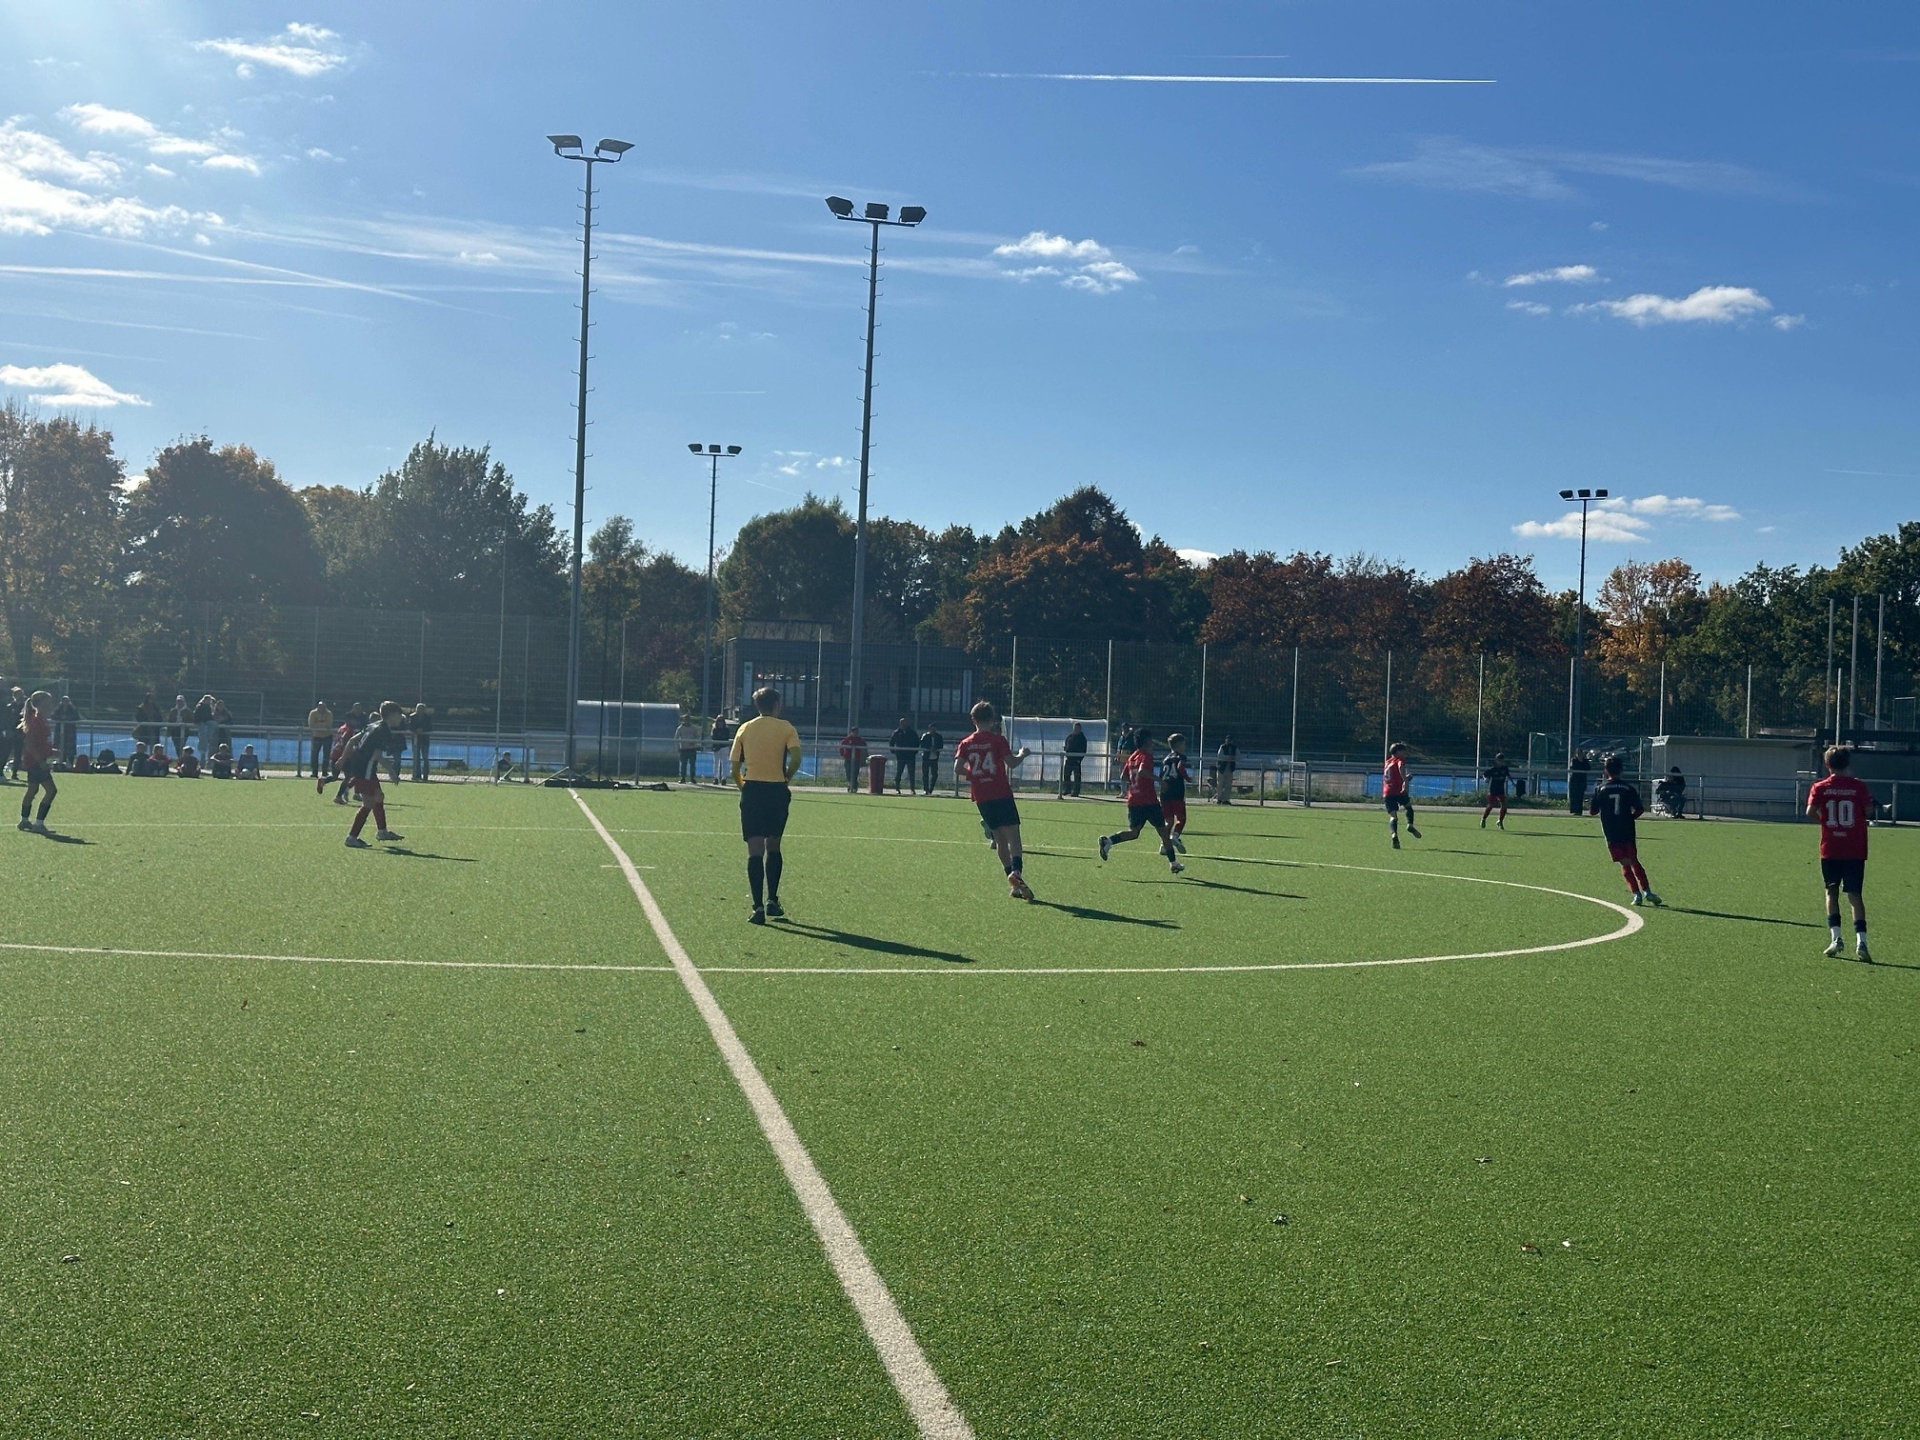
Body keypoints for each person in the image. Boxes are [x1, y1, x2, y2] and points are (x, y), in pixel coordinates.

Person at [730, 686, 802, 924]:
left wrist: (743, 787)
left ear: (757, 705)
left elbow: (734, 768)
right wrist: (786, 777)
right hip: (776, 790)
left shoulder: (745, 728)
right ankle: (772, 899)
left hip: (752, 790)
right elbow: (796, 758)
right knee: (774, 844)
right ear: (777, 704)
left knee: (754, 848)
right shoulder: (786, 728)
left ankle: (758, 907)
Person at [954, 699, 1035, 900]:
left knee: (999, 838)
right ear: (992, 720)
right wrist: (1022, 754)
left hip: (982, 796)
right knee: (1013, 835)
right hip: (1001, 792)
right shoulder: (998, 740)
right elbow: (1012, 763)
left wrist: (975, 775)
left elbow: (957, 768)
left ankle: (1014, 884)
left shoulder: (966, 743)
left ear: (973, 719)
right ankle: (1016, 872)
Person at [1807, 746, 1872, 961]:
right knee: (1855, 895)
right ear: (1848, 763)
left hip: (1831, 847)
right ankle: (1861, 942)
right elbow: (1868, 810)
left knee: (1831, 892)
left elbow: (1810, 811)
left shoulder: (1820, 787)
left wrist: (1825, 821)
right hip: (1855, 848)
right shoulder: (1858, 786)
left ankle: (1836, 938)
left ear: (1827, 764)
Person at [1098, 728, 1183, 873]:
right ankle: (1173, 863)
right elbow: (1142, 771)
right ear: (1147, 741)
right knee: (1163, 832)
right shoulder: (1146, 756)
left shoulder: (1132, 757)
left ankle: (1109, 841)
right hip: (1149, 801)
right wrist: (1159, 780)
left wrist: (1135, 784)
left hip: (1134, 801)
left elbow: (1124, 776)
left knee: (1134, 833)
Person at [1590, 754, 1662, 906]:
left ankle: (1636, 895)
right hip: (1627, 830)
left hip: (1611, 832)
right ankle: (1647, 891)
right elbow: (1640, 809)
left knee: (1624, 863)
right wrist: (1630, 818)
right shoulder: (1629, 788)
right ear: (1621, 771)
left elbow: (1592, 811)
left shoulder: (1600, 789)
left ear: (1605, 771)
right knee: (1634, 860)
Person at [341, 701, 408, 848]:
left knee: (379, 796)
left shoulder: (373, 725)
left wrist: (343, 758)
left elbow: (353, 740)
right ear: (391, 715)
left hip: (362, 765)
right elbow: (378, 755)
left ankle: (382, 831)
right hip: (365, 768)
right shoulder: (383, 731)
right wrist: (391, 771)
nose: (400, 718)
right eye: (399, 715)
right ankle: (352, 837)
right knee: (369, 803)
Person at [15, 691, 57, 833]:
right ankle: (39, 824)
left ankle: (24, 820)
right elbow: (29, 744)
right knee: (51, 790)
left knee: (32, 789)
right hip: (36, 762)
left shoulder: (40, 720)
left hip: (34, 761)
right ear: (41, 704)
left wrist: (51, 750)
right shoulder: (36, 721)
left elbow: (40, 743)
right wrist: (40, 761)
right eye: (48, 702)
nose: (51, 705)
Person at [1383, 741, 1421, 849]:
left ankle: (1394, 834)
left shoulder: (1387, 762)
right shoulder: (1400, 760)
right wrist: (1405, 781)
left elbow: (1393, 775)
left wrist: (1405, 778)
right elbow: (1400, 767)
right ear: (1398, 752)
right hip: (1398, 790)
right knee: (1408, 807)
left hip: (1387, 792)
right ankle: (1410, 824)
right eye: (1404, 751)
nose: (1405, 753)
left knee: (1393, 816)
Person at [1160, 732, 1193, 853]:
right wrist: (1187, 778)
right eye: (1183, 744)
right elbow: (1180, 767)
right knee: (1181, 819)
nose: (1184, 747)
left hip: (1165, 793)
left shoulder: (1165, 759)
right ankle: (1175, 836)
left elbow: (1161, 776)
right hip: (1177, 792)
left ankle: (1163, 845)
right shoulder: (1180, 757)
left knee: (1168, 821)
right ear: (1178, 745)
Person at [332, 703, 368, 803]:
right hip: (346, 754)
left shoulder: (343, 728)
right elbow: (346, 742)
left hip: (339, 753)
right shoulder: (349, 730)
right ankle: (341, 795)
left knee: (351, 774)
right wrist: (347, 754)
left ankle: (353, 793)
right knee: (350, 775)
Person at [1481, 751, 1512, 829]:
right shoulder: (1493, 769)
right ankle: (1483, 819)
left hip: (1501, 789)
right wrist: (1485, 779)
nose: (1501, 762)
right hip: (1493, 789)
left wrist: (1513, 783)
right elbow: (1484, 775)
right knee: (1491, 805)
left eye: (1502, 760)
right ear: (1496, 760)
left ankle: (1500, 821)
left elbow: (1508, 775)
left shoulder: (1505, 768)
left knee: (1504, 806)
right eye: (1499, 760)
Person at [888, 717, 919, 794]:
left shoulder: (912, 732)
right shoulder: (897, 732)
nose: (903, 724)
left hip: (910, 755)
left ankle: (912, 789)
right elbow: (891, 742)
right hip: (901, 755)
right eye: (902, 722)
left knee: (911, 772)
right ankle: (897, 788)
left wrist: (914, 752)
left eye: (905, 722)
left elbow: (917, 742)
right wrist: (894, 751)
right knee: (899, 771)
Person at [306, 699, 334, 780]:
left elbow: (329, 725)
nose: (321, 708)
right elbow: (311, 724)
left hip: (327, 736)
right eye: (320, 706)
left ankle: (325, 772)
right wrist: (322, 725)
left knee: (326, 755)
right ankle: (314, 772)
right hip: (316, 736)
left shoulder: (329, 713)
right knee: (314, 755)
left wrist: (318, 725)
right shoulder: (313, 713)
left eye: (323, 707)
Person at [1, 686, 24, 779]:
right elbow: (6, 719)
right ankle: (1, 770)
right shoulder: (9, 707)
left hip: (20, 732)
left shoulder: (24, 707)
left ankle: (14, 773)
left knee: (18, 753)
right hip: (11, 732)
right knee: (6, 752)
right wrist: (8, 730)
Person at [1061, 721, 1088, 797]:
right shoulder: (1069, 737)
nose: (1075, 729)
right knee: (1066, 775)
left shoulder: (1082, 739)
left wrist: (1079, 759)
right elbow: (1067, 745)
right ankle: (1067, 789)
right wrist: (1066, 749)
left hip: (1076, 760)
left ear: (1080, 729)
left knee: (1077, 776)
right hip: (1069, 759)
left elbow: (1084, 750)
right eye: (1074, 728)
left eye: (1077, 728)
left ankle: (1076, 791)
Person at [409, 703, 434, 782]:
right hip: (415, 741)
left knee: (425, 757)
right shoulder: (412, 717)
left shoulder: (428, 717)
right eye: (418, 708)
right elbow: (410, 727)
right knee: (416, 758)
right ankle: (417, 775)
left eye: (421, 709)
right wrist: (416, 730)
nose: (419, 710)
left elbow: (430, 727)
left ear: (424, 710)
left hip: (425, 740)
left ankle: (425, 775)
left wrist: (423, 730)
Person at [51, 693, 78, 766]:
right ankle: (62, 762)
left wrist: (67, 718)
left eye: (67, 701)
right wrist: (61, 718)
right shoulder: (59, 709)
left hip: (69, 733)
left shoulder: (72, 709)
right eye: (64, 701)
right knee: (60, 747)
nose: (65, 703)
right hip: (60, 732)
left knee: (70, 748)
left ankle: (71, 763)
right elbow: (53, 716)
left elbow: (76, 717)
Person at [674, 711, 700, 784]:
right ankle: (683, 778)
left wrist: (694, 742)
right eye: (685, 719)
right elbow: (676, 738)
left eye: (688, 719)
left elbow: (697, 737)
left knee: (692, 765)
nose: (687, 720)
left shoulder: (693, 728)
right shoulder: (680, 728)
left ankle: (692, 778)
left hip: (692, 749)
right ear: (683, 720)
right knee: (683, 765)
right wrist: (678, 747)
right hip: (683, 749)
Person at [918, 722, 944, 795]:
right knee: (925, 774)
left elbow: (941, 745)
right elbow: (922, 744)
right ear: (929, 729)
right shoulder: (925, 736)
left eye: (934, 729)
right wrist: (929, 748)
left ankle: (931, 789)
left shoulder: (939, 736)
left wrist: (935, 748)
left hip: (935, 757)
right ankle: (925, 789)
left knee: (934, 774)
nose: (933, 730)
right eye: (932, 729)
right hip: (926, 757)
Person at [839, 726, 867, 793]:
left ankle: (854, 786)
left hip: (856, 759)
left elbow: (864, 747)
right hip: (848, 759)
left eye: (857, 732)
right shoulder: (847, 739)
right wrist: (843, 754)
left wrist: (864, 758)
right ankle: (850, 786)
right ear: (852, 732)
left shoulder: (860, 740)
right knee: (848, 773)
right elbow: (841, 747)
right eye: (855, 731)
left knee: (855, 773)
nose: (856, 733)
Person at [709, 712, 733, 786]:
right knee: (716, 763)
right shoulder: (714, 729)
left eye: (722, 720)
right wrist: (717, 745)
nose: (720, 722)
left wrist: (721, 740)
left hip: (724, 747)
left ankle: (724, 778)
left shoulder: (726, 729)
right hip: (717, 747)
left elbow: (726, 737)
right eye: (719, 720)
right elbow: (714, 737)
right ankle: (715, 778)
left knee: (724, 763)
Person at [1213, 734, 1238, 804]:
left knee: (1228, 785)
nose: (1229, 741)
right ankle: (1219, 799)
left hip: (1230, 769)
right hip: (1222, 769)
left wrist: (1233, 758)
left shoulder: (1234, 748)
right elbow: (1220, 756)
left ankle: (1226, 799)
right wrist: (1228, 757)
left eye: (1230, 740)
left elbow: (1239, 756)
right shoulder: (1222, 747)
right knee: (1220, 784)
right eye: (1228, 740)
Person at [1567, 748, 1592, 817]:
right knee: (1574, 796)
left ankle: (1579, 811)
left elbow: (1588, 768)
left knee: (1580, 796)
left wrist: (1582, 762)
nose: (1579, 755)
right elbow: (1573, 768)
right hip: (1574, 781)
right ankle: (1574, 810)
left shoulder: (1585, 761)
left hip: (1582, 781)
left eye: (1580, 754)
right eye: (1578, 754)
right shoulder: (1573, 760)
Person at [193, 694, 215, 760]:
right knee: (202, 735)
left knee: (213, 724)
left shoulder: (209, 707)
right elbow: (197, 716)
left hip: (206, 722)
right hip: (200, 722)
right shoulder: (200, 706)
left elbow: (209, 716)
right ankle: (202, 751)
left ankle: (209, 736)